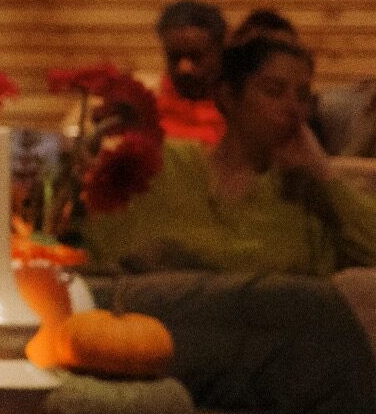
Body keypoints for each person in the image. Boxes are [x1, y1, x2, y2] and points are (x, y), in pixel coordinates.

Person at [84, 36, 376, 275]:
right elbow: (98, 247)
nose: (292, 107)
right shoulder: (166, 166)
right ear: (228, 97)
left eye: (302, 96)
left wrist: (325, 174)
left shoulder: (307, 191)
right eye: (274, 91)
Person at [148, 0, 228, 147]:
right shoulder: (148, 117)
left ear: (220, 53)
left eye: (195, 57)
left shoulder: (242, 118)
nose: (184, 68)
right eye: (175, 57)